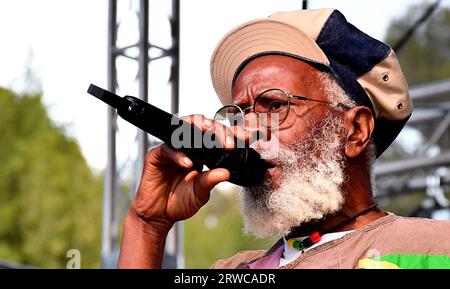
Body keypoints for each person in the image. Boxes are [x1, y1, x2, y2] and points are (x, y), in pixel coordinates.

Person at [118, 8, 450, 269]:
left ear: (355, 131)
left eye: (275, 105)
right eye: (239, 114)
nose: (246, 131)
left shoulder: (433, 249)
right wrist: (147, 225)